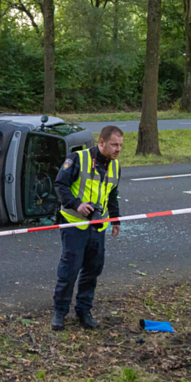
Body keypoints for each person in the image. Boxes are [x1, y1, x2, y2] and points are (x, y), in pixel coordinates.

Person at [51, 125, 124, 331]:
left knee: (92, 270)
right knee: (69, 269)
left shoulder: (115, 166)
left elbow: (111, 194)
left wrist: (115, 219)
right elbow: (60, 185)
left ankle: (84, 311)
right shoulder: (77, 159)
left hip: (98, 226)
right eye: (113, 145)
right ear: (101, 142)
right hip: (74, 223)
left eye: (120, 145)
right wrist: (77, 204)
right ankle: (60, 312)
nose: (117, 149)